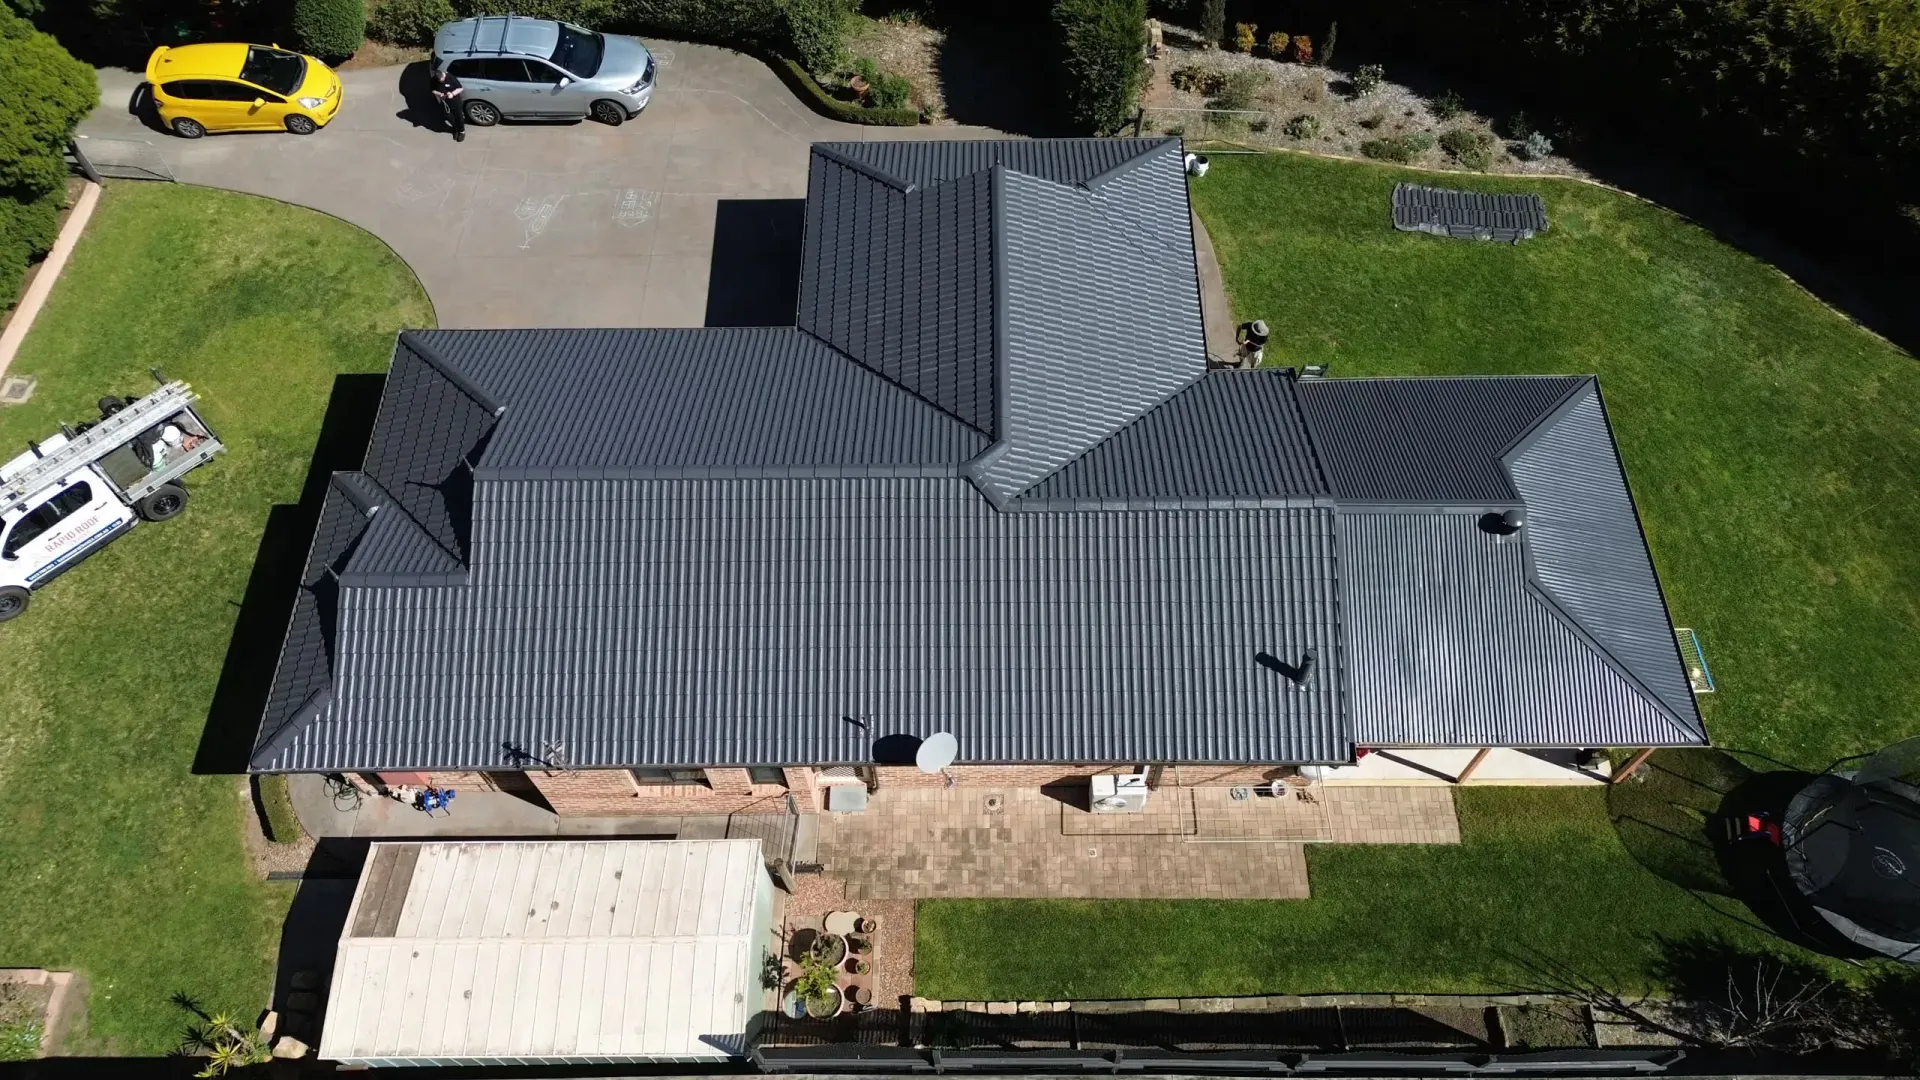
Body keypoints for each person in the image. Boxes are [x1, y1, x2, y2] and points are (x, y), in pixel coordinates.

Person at [430, 64, 466, 142]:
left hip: (455, 102)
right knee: (450, 117)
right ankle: (455, 129)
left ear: (443, 74)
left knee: (458, 117)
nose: (441, 80)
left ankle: (461, 131)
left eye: (442, 78)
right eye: (439, 79)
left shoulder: (451, 78)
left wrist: (452, 94)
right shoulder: (434, 80)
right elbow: (433, 90)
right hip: (444, 103)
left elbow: (460, 88)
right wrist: (439, 94)